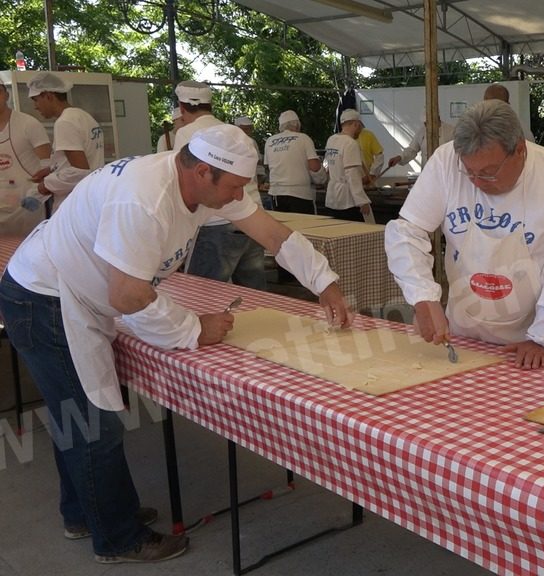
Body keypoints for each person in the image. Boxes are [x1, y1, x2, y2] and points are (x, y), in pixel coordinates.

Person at [0, 124, 350, 564]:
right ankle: (117, 537)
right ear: (203, 172)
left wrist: (326, 283)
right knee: (94, 423)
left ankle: (89, 512)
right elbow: (126, 296)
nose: (239, 196)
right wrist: (192, 329)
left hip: (71, 295)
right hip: (45, 300)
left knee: (80, 419)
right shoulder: (144, 199)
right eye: (235, 187)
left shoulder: (203, 182)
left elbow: (274, 235)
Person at [385, 100, 544, 368]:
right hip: (462, 331)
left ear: (519, 150)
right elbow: (407, 233)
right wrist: (423, 297)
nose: (478, 183)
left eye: (489, 173)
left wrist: (542, 338)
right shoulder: (445, 162)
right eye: (469, 173)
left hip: (529, 338)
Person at [173, 86, 267, 290]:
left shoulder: (187, 134)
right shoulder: (229, 131)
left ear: (181, 108)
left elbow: (183, 182)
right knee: (255, 292)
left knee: (204, 294)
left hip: (216, 223)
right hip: (252, 217)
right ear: (211, 105)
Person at [27, 72, 104, 214]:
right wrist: (51, 169)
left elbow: (80, 171)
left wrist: (43, 187)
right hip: (90, 198)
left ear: (48, 95)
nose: (35, 107)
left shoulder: (65, 122)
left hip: (73, 205)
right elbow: (82, 159)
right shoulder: (84, 117)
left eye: (36, 100)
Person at [0, 80, 51, 236]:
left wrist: (37, 196)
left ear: (6, 95)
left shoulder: (28, 124)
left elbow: (48, 166)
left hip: (27, 205)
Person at [265, 109, 324, 213]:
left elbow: (268, 166)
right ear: (297, 125)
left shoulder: (270, 141)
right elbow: (314, 166)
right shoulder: (303, 138)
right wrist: (322, 179)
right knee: (304, 228)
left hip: (276, 194)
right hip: (300, 194)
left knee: (283, 227)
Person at [324, 109, 372, 222]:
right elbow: (352, 174)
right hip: (347, 201)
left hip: (332, 198)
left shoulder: (331, 140)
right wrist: (362, 201)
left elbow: (327, 167)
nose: (360, 131)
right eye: (360, 127)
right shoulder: (351, 143)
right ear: (356, 124)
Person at [386, 114, 456, 170]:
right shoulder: (422, 131)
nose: (427, 125)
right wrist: (399, 158)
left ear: (438, 118)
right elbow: (412, 150)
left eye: (429, 122)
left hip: (446, 171)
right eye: (425, 123)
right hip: (427, 171)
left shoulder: (450, 131)